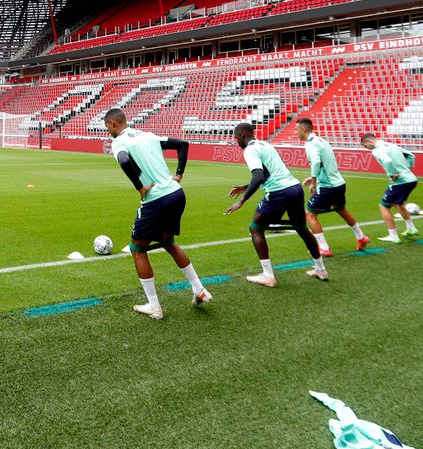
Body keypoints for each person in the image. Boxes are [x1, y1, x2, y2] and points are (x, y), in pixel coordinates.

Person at [103, 108, 209, 318]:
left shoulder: (119, 142)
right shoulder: (148, 136)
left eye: (108, 127)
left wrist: (140, 187)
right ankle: (199, 290)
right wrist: (178, 174)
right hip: (177, 193)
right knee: (168, 242)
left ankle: (154, 307)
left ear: (113, 124)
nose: (108, 131)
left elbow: (124, 161)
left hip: (157, 199)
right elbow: (182, 145)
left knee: (138, 249)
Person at [225, 122, 328, 286]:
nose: (236, 141)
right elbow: (267, 173)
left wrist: (242, 201)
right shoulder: (265, 145)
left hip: (279, 192)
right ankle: (321, 269)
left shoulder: (250, 150)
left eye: (236, 138)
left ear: (241, 136)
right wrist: (245, 187)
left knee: (256, 228)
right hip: (294, 188)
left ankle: (268, 275)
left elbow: (258, 176)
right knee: (301, 227)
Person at [295, 118, 369, 256]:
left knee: (310, 214)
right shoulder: (322, 141)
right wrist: (312, 177)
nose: (295, 132)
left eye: (296, 129)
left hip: (327, 187)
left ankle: (323, 247)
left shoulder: (310, 144)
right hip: (339, 183)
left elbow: (316, 162)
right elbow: (326, 163)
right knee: (341, 210)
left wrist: (315, 182)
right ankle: (361, 237)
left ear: (304, 130)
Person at [359, 134, 419, 243]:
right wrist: (407, 170)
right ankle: (411, 228)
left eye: (365, 146)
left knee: (383, 206)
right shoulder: (391, 145)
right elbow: (411, 155)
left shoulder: (377, 151)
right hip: (411, 180)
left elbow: (387, 161)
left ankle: (393, 236)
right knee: (398, 203)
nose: (366, 148)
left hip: (400, 182)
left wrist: (392, 175)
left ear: (368, 142)